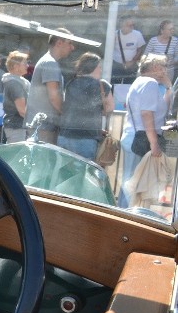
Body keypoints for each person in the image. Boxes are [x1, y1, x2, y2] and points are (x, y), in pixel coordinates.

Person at [119, 54, 173, 207]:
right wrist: (154, 143)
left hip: (136, 136)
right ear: (155, 67)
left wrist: (168, 86)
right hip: (142, 138)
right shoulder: (149, 83)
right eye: (163, 66)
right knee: (134, 182)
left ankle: (125, 211)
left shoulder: (142, 82)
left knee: (131, 180)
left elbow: (162, 108)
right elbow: (146, 114)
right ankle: (129, 215)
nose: (165, 70)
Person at [58, 53, 114, 160]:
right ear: (93, 67)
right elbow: (110, 107)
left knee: (64, 171)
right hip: (87, 136)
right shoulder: (102, 85)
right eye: (99, 67)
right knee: (83, 172)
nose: (100, 70)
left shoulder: (71, 83)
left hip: (65, 134)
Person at [28, 29, 75, 144]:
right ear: (59, 43)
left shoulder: (49, 62)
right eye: (70, 43)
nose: (72, 47)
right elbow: (54, 97)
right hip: (44, 126)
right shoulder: (50, 63)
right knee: (42, 161)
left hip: (43, 125)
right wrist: (66, 117)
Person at [1, 51, 31, 143]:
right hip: (16, 127)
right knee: (17, 155)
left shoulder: (20, 82)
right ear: (16, 66)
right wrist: (33, 124)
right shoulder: (14, 83)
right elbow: (22, 111)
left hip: (17, 126)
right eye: (25, 63)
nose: (28, 66)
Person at [112, 16, 146, 81]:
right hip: (117, 64)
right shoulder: (114, 34)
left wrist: (132, 61)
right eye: (129, 25)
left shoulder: (137, 34)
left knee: (129, 85)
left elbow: (140, 49)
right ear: (122, 25)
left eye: (133, 25)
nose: (132, 27)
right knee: (114, 84)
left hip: (132, 65)